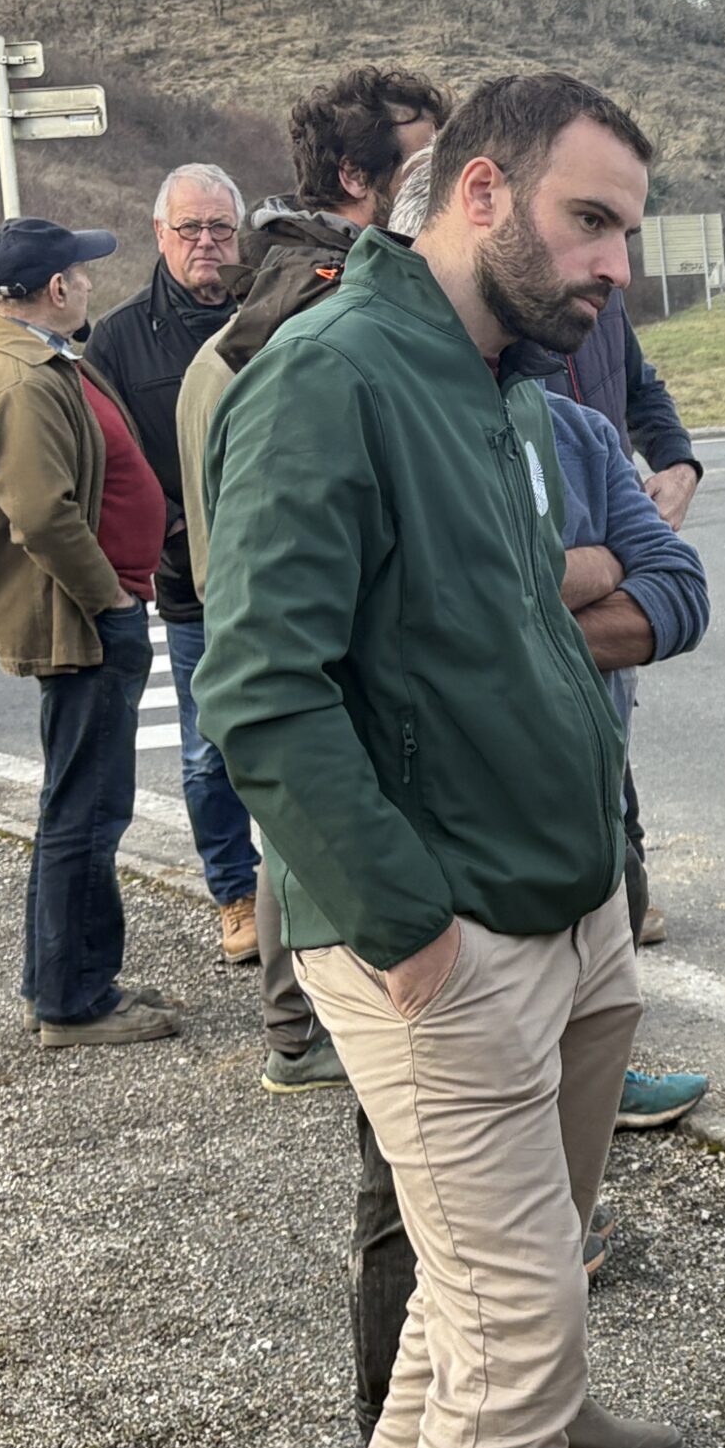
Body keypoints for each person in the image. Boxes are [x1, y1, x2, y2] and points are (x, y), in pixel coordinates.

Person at [196, 72, 675, 1448]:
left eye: (626, 231)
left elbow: (525, 627)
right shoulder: (331, 373)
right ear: (479, 192)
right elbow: (262, 690)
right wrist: (408, 928)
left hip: (574, 919)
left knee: (472, 1322)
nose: (615, 266)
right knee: (526, 1331)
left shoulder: (507, 388)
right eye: (588, 220)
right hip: (446, 944)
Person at [175, 66, 449, 1094]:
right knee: (407, 1062)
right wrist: (408, 930)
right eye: (425, 160)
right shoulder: (318, 330)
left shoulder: (275, 304)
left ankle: (302, 1023)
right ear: (354, 175)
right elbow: (274, 674)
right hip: (368, 716)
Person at [0, 218, 178, 1048]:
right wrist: (111, 601)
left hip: (93, 612)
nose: (91, 283)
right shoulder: (19, 378)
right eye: (82, 273)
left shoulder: (39, 355)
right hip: (82, 621)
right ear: (56, 288)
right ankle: (71, 1000)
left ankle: (75, 979)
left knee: (85, 806)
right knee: (85, 811)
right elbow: (42, 516)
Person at [85, 164, 255, 963]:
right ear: (161, 236)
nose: (208, 245)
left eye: (221, 228)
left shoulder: (277, 312)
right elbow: (114, 469)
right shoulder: (119, 340)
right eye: (190, 229)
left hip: (286, 569)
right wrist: (173, 538)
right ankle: (236, 892)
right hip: (190, 584)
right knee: (207, 748)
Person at [545, 288, 701, 951]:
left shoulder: (597, 295)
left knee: (611, 735)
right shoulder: (501, 314)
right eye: (589, 223)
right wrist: (612, 559)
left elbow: (638, 383)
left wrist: (679, 462)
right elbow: (496, 589)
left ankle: (621, 884)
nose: (611, 264)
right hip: (585, 559)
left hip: (612, 551)